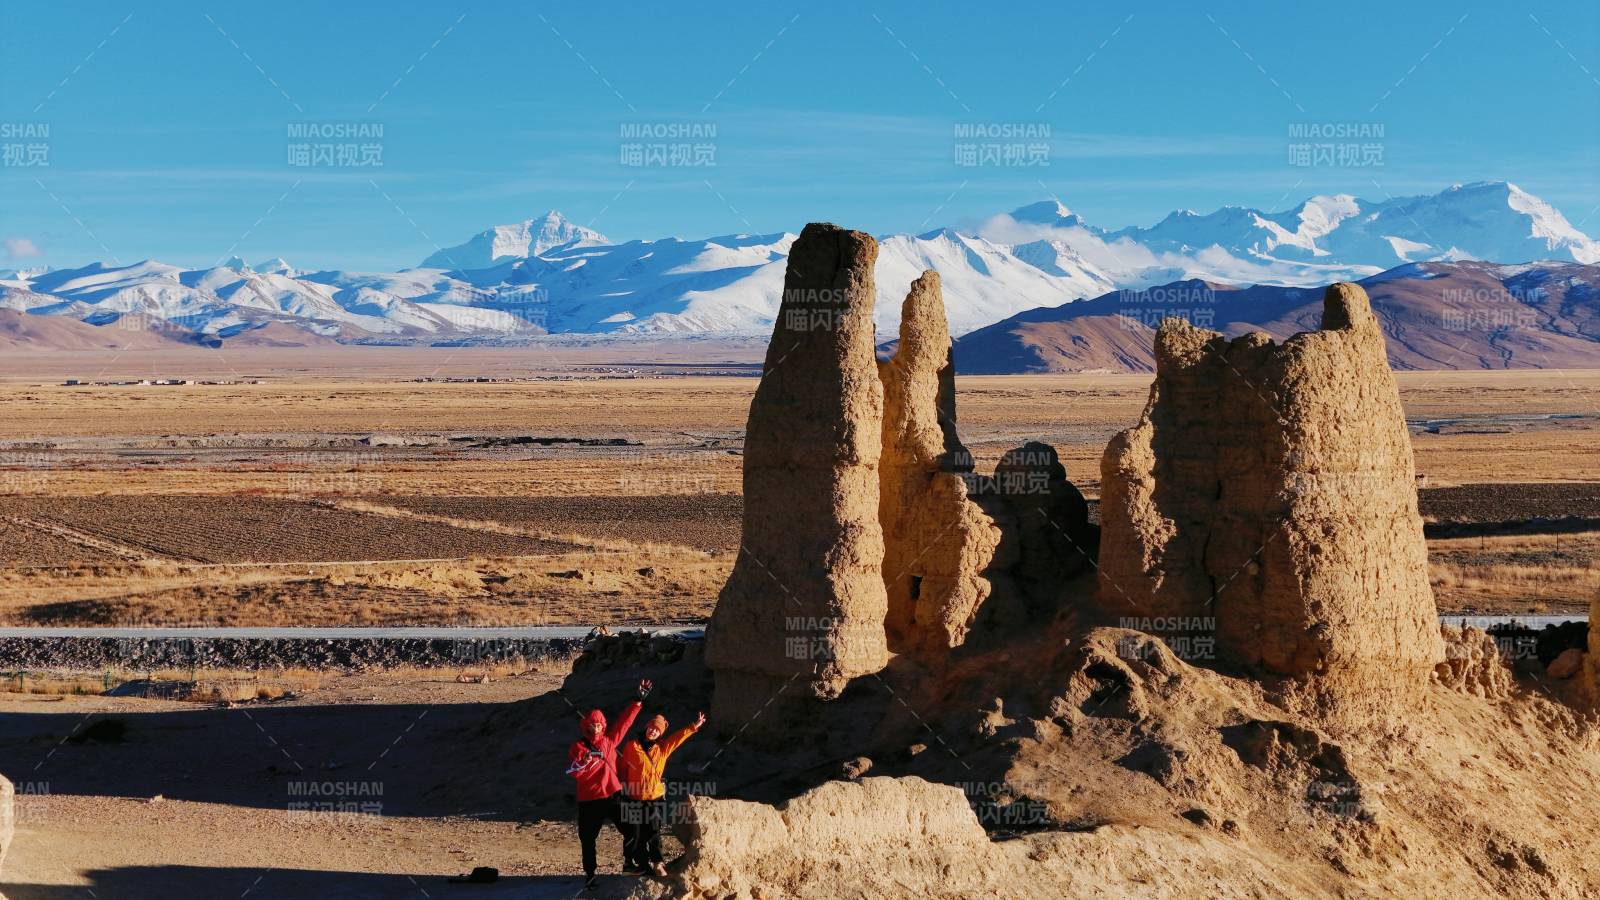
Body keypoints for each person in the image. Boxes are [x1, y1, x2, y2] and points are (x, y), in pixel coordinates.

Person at [567, 678, 651, 891]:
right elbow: (575, 772)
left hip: (613, 795)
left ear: (603, 725)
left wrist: (638, 701)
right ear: (586, 726)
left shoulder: (609, 741)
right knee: (588, 839)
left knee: (632, 827)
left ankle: (628, 864)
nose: (595, 727)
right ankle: (590, 875)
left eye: (598, 724)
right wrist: (584, 761)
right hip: (589, 799)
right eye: (592, 725)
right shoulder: (578, 747)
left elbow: (625, 723)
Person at [618, 709, 706, 877]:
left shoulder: (662, 748)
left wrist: (694, 726)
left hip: (654, 798)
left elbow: (678, 738)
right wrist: (623, 791)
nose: (653, 731)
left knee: (653, 830)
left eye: (657, 730)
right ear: (646, 727)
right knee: (636, 832)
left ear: (660, 733)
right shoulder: (631, 746)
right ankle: (642, 865)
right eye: (652, 728)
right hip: (634, 796)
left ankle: (658, 863)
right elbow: (622, 769)